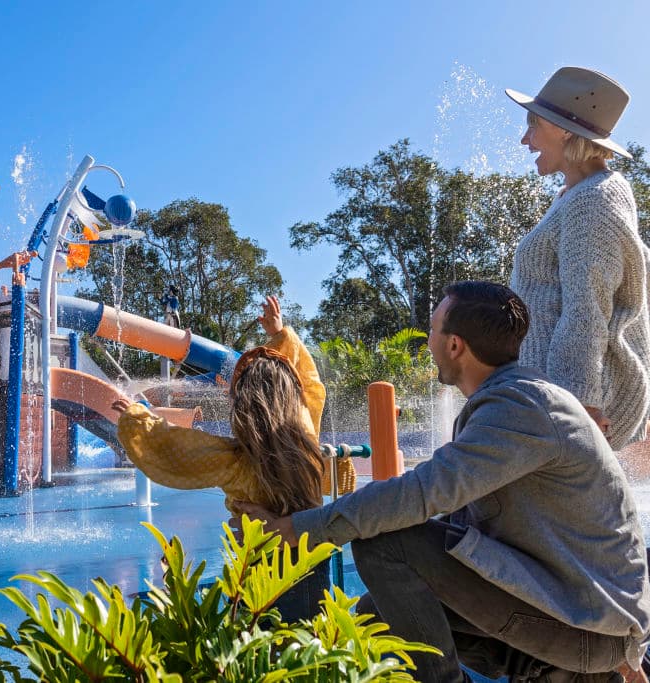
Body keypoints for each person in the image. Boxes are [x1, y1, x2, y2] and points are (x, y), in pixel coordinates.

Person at [232, 282, 650, 682]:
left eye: (433, 331)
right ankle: (559, 673)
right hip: (587, 622)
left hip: (590, 628)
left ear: (455, 346)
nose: (428, 343)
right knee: (375, 614)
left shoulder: (521, 407)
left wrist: (296, 528)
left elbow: (418, 494)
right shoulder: (517, 401)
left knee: (385, 543)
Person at [111, 295, 356, 622]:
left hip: (260, 571)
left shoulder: (237, 461)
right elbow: (311, 386)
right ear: (292, 399)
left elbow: (172, 450)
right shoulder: (309, 444)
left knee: (262, 643)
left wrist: (135, 418)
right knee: (310, 638)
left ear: (243, 404)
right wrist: (282, 336)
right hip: (313, 559)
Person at [506, 66, 650, 449]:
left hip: (567, 402)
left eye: (533, 125)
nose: (525, 139)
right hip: (551, 394)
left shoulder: (594, 200)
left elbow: (586, 310)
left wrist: (576, 408)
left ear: (566, 130)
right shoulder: (579, 194)